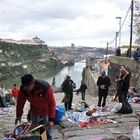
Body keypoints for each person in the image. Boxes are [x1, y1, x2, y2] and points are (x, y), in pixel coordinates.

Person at [15, 74, 56, 140]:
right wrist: (18, 115)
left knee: (47, 126)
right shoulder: (23, 89)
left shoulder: (44, 87)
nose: (26, 88)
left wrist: (51, 119)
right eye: (24, 86)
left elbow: (52, 103)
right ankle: (37, 138)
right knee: (35, 127)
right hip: (34, 109)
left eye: (28, 86)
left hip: (45, 109)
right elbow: (20, 103)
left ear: (33, 83)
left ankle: (47, 138)